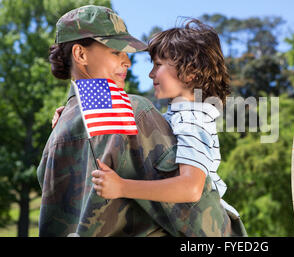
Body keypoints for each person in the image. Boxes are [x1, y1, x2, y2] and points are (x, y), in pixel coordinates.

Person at [38, 5, 243, 237]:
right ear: (81, 54)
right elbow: (202, 220)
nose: (128, 61)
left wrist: (73, 111)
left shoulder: (56, 136)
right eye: (116, 51)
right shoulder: (135, 112)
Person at [90, 19, 246, 231]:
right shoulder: (179, 116)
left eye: (158, 65)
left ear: (190, 72)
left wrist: (122, 187)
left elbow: (191, 188)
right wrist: (73, 113)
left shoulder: (192, 119)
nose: (151, 74)